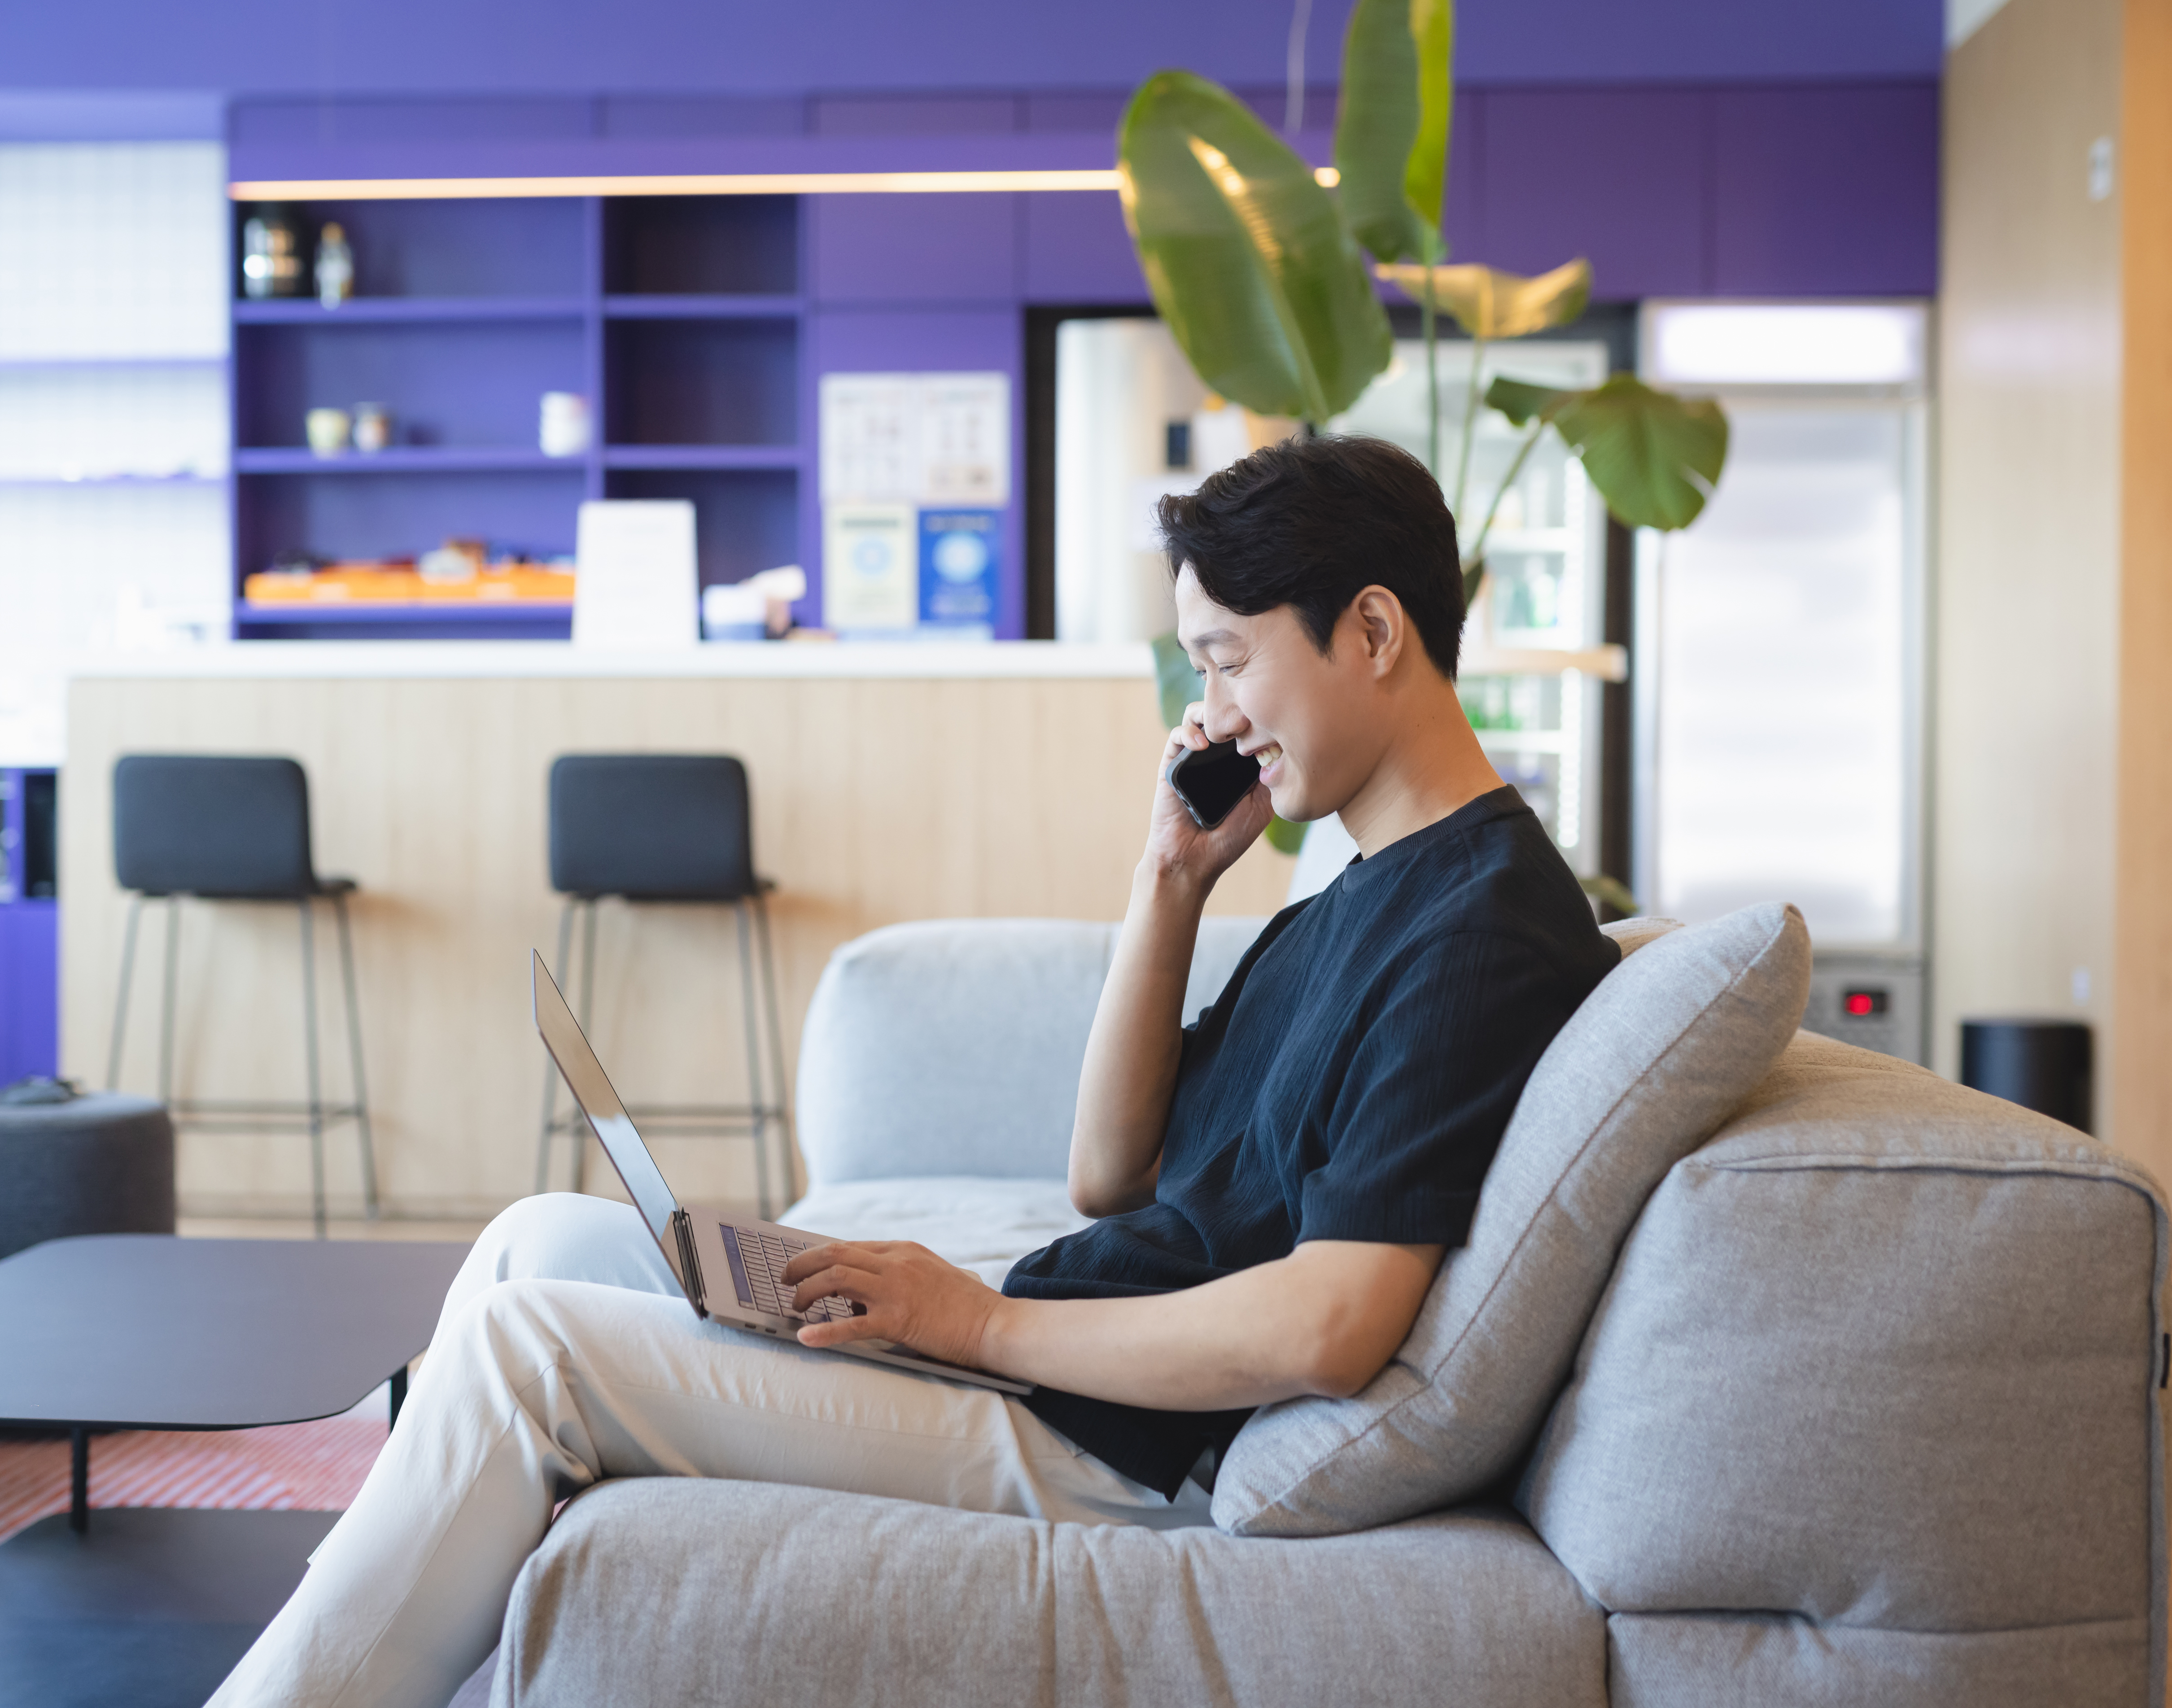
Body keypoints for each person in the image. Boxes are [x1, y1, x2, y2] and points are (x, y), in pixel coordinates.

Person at [205, 434, 1619, 1708]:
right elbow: (1110, 1173)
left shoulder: (1481, 924)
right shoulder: (1354, 894)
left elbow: (1330, 1321)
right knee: (533, 1242)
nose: (1211, 708)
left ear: (1371, 630)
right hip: (1055, 1369)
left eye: (1230, 655)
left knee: (528, 1359)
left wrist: (973, 1325)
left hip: (1107, 1447)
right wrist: (1169, 882)